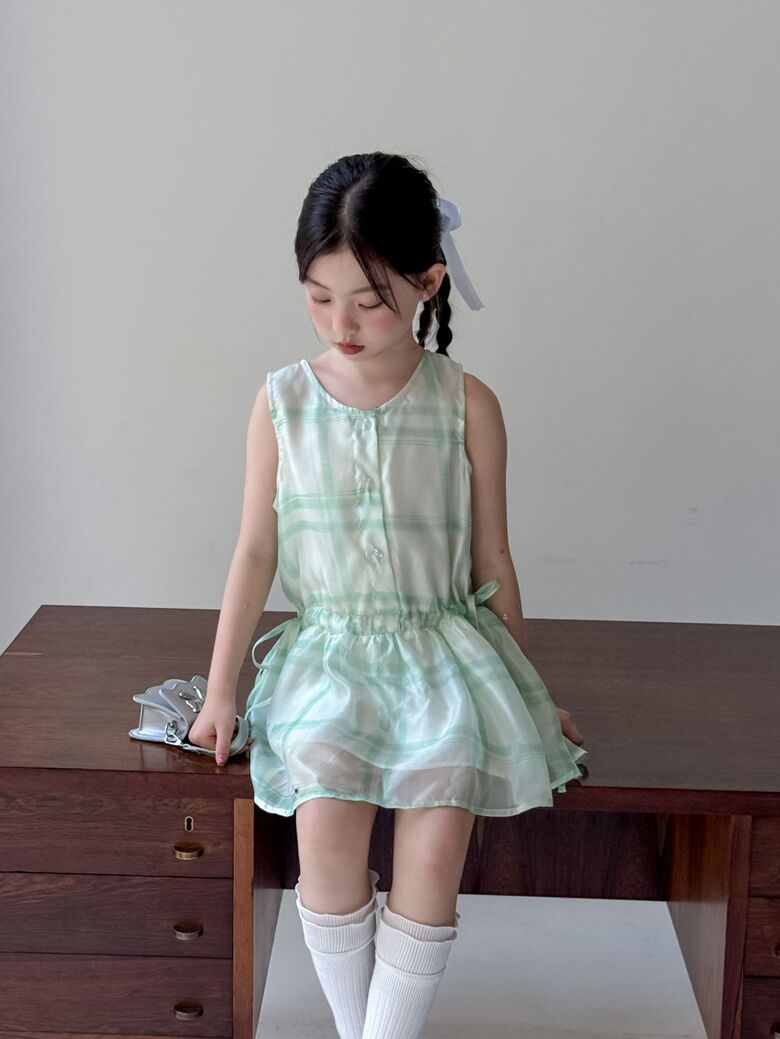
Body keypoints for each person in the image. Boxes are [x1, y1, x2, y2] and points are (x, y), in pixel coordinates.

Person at [188, 151, 589, 1039]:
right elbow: (255, 551)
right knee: (325, 837)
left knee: (436, 846)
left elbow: (494, 558)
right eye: (318, 296)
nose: (342, 322)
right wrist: (219, 691)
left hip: (443, 658)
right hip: (329, 660)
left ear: (428, 282)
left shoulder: (466, 402)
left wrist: (529, 694)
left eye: (368, 301)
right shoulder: (282, 403)